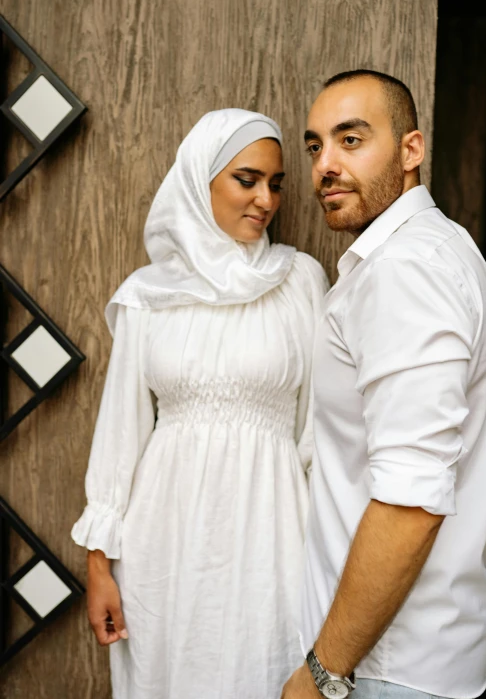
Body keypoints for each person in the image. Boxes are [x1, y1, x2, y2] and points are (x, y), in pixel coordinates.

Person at [71, 108, 329, 699]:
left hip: (272, 541)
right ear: (199, 177)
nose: (266, 199)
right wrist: (99, 568)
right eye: (247, 179)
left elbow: (320, 436)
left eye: (277, 183)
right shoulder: (149, 295)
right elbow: (120, 434)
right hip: (163, 545)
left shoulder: (302, 282)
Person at [282, 70, 486, 699]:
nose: (325, 164)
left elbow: (410, 504)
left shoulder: (406, 270)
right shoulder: (431, 250)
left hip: (385, 669)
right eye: (314, 146)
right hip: (407, 659)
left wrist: (322, 674)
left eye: (350, 140)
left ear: (411, 151)